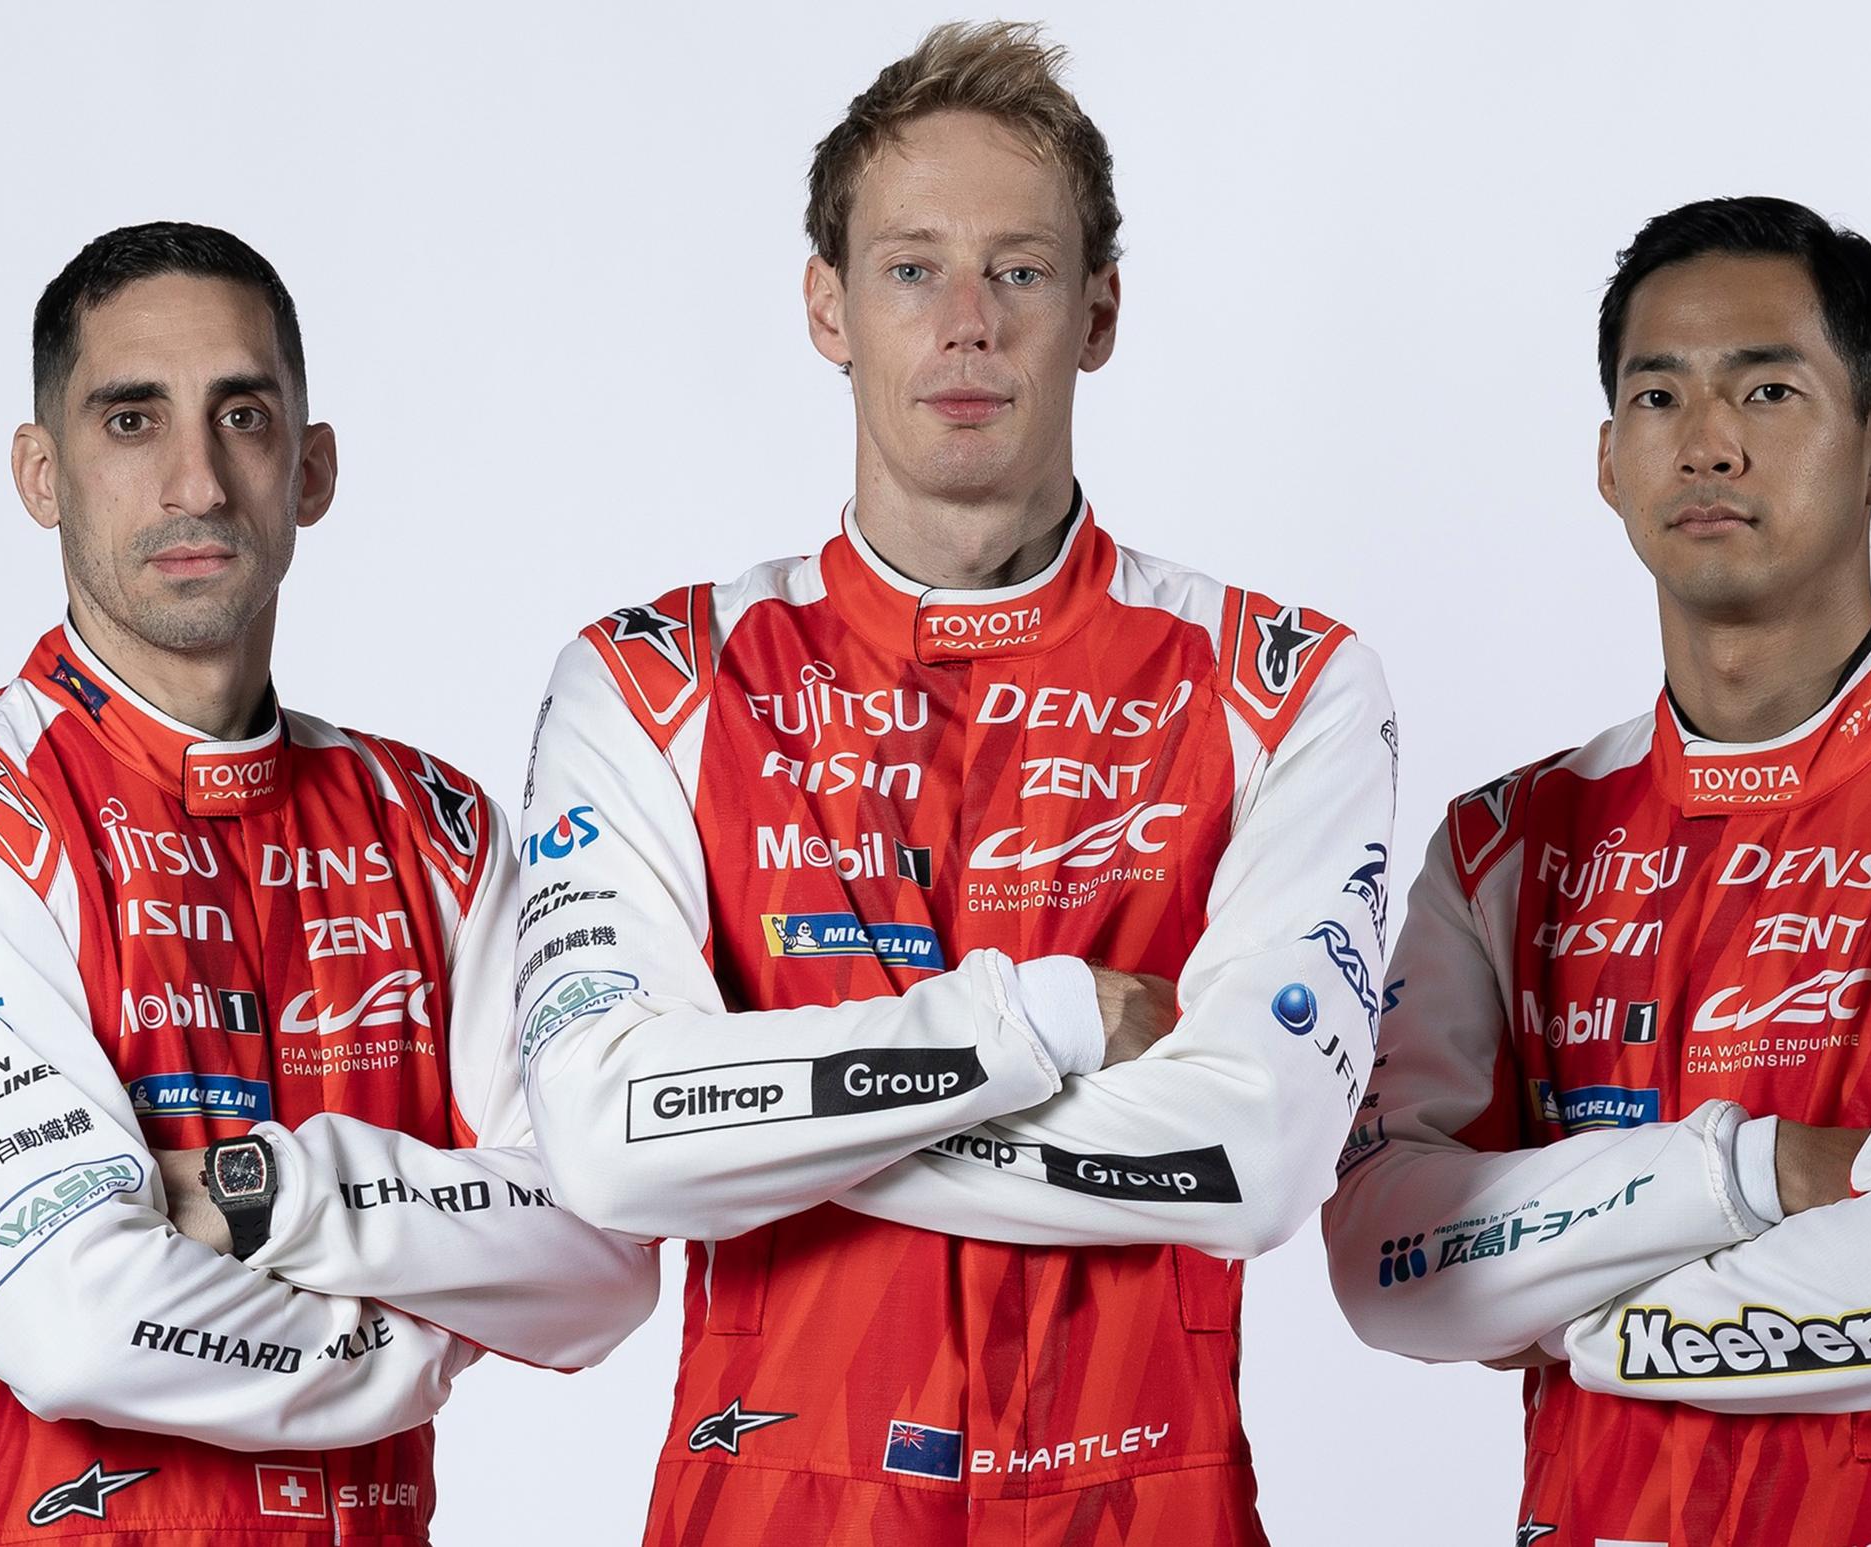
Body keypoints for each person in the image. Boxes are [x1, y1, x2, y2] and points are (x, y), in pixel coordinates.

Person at [498, 22, 1396, 1546]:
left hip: (1145, 1506)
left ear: (1098, 311)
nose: (968, 324)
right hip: (768, 1508)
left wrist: (762, 1125)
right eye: (912, 269)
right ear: (828, 307)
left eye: (1019, 271)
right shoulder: (653, 682)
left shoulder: (1283, 682)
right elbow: (601, 1141)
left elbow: (1248, 1157)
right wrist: (1037, 1028)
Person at [1323, 196, 1871, 1546]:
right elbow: (1387, 1267)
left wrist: (1569, 1310)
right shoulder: (1502, 843)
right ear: (1609, 462)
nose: (1708, 442)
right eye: (1657, 395)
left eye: (1769, 390)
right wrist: (1756, 1170)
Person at [0, 222, 658, 1546]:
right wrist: (413, 1344)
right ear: (41, 474)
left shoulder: (436, 827)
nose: (195, 481)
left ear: (312, 467)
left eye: (241, 417)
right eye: (131, 421)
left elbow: (602, 1264)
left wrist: (270, 1194)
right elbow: (74, 1320)